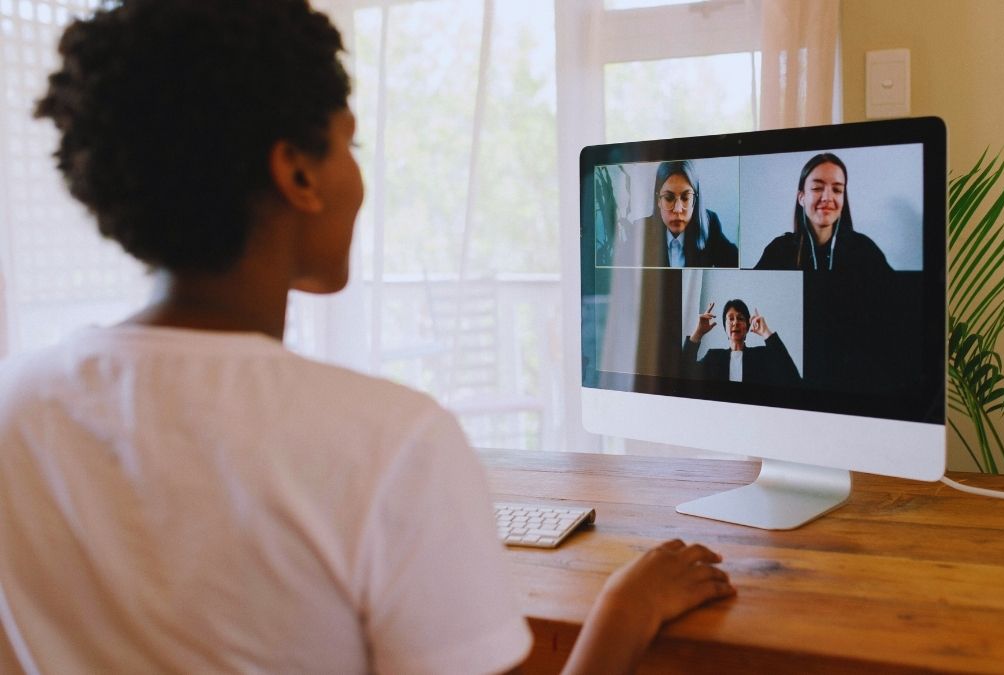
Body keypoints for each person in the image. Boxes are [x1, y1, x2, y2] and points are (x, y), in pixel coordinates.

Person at [0, 2, 734, 673]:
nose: (358, 176)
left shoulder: (15, 405)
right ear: (297, 172)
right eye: (351, 144)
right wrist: (624, 609)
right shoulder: (393, 442)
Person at [753, 153, 892, 272]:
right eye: (817, 188)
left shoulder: (864, 250)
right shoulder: (779, 250)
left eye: (837, 190)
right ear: (801, 197)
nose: (827, 197)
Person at [613, 160, 739, 268]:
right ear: (658, 200)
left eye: (685, 198)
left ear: (695, 200)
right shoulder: (641, 230)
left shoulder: (710, 225)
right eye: (669, 198)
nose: (678, 209)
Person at [682, 299, 801, 385]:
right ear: (725, 327)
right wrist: (698, 333)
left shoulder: (761, 356)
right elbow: (682, 373)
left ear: (747, 327)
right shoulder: (713, 357)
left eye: (740, 318)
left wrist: (766, 332)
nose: (735, 322)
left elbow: (792, 377)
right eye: (731, 319)